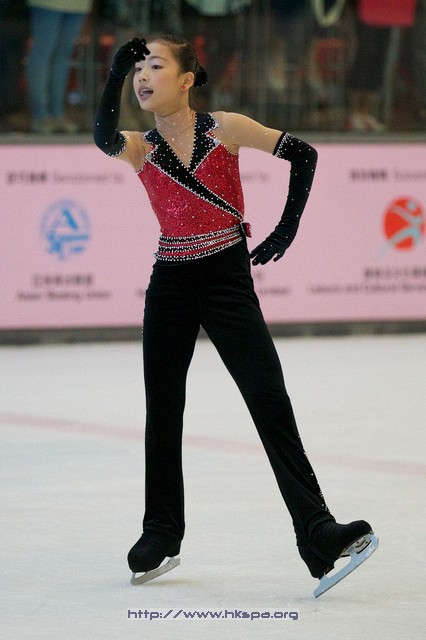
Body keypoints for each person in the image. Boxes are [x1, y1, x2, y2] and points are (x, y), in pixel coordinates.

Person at [93, 34, 378, 596]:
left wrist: (286, 228)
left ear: (186, 80)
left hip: (226, 278)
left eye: (155, 66)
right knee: (163, 407)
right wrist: (112, 73)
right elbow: (103, 136)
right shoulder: (140, 147)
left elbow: (303, 154)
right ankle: (161, 531)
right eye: (137, 69)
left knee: (268, 399)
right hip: (170, 283)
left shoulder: (224, 128)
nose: (142, 76)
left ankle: (317, 531)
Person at [26, 0, 93, 133]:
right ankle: (40, 115)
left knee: (63, 55)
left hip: (79, 4)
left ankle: (57, 113)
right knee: (43, 51)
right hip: (47, 4)